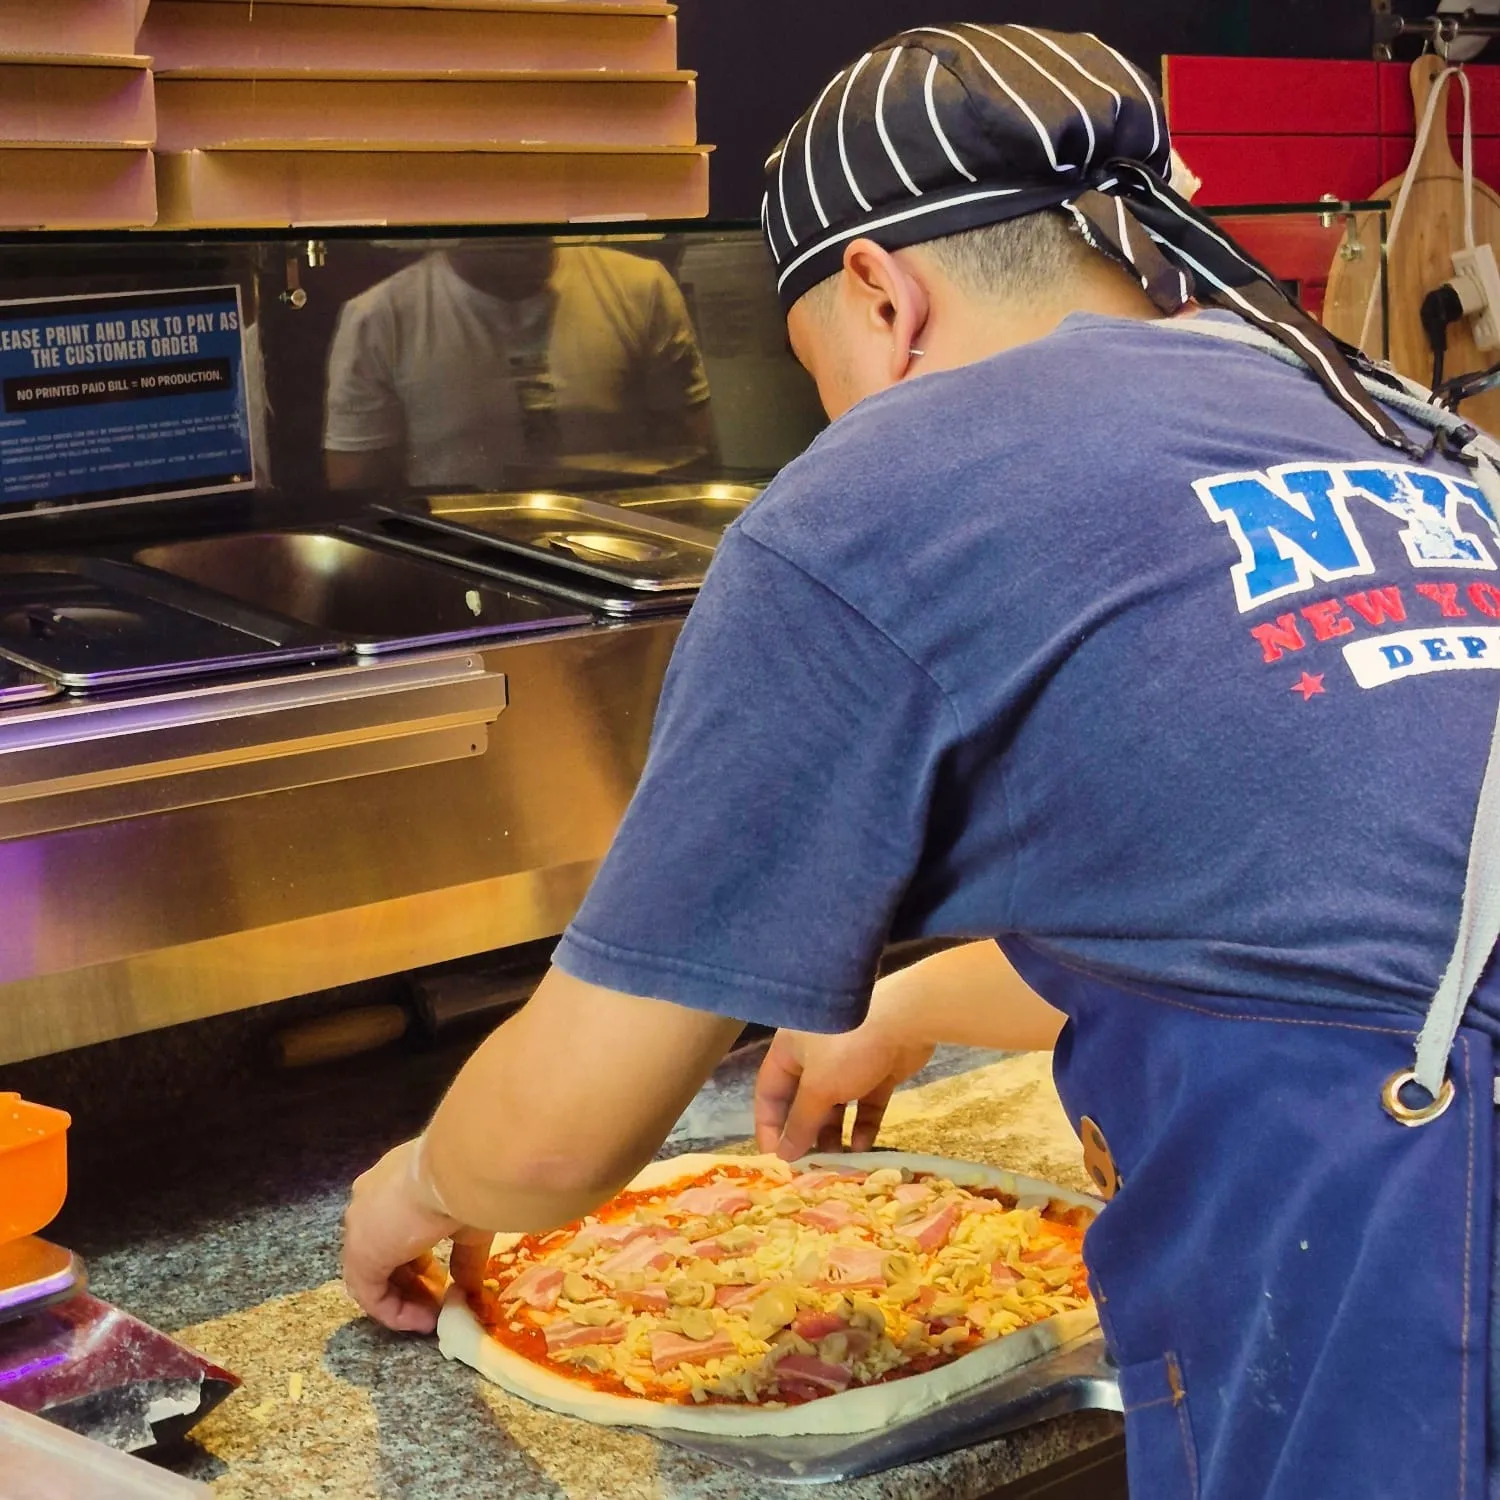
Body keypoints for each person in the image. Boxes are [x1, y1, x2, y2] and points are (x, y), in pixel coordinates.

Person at [341, 24, 1500, 1498]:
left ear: (881, 295)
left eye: (821, 373)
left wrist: (414, 1188)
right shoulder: (1366, 414)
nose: (838, 422)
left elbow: (567, 1133)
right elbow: (1303, 896)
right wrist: (908, 1003)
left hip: (1419, 1238)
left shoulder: (886, 487)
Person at [323, 238, 716, 492]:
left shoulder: (640, 287)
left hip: (626, 538)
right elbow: (356, 487)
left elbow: (694, 446)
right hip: (460, 548)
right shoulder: (378, 317)